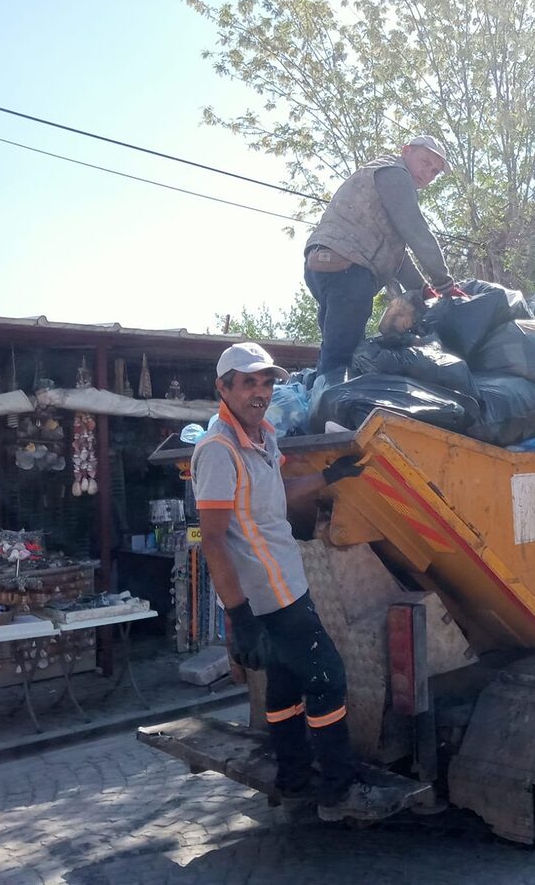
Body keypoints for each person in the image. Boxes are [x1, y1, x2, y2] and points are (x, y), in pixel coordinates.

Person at [192, 343, 389, 820]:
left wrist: (330, 475)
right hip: (270, 600)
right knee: (328, 680)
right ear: (223, 388)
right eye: (248, 382)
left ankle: (294, 779)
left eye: (266, 382)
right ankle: (339, 792)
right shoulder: (218, 451)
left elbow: (278, 493)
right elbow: (213, 540)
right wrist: (239, 617)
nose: (260, 391)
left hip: (285, 587)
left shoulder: (262, 438)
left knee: (283, 690)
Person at [304, 135, 455, 374]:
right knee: (342, 358)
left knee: (334, 349)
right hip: (348, 269)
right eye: (425, 162)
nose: (428, 173)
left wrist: (423, 289)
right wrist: (444, 283)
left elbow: (397, 255)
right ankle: (332, 406)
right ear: (406, 151)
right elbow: (415, 229)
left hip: (323, 264)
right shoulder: (395, 174)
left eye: (434, 172)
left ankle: (320, 396)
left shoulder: (380, 175)